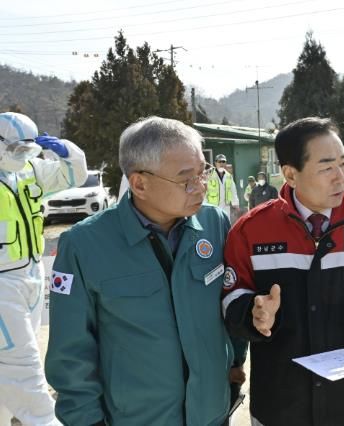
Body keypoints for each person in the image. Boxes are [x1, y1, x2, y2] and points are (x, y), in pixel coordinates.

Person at [45, 116, 245, 426]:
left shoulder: (214, 224)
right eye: (185, 179)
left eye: (202, 173)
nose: (200, 187)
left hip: (210, 414)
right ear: (140, 183)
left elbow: (229, 302)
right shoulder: (84, 244)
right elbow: (70, 352)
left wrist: (234, 368)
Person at [222, 117, 344, 426]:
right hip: (281, 407)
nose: (340, 177)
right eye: (326, 168)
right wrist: (254, 315)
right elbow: (231, 297)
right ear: (290, 174)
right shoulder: (251, 231)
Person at [0, 112, 87, 426]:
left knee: (16, 358)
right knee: (20, 363)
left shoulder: (30, 169)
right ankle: (45, 420)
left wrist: (67, 151)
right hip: (2, 284)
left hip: (32, 274)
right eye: (17, 149)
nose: (23, 155)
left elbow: (73, 175)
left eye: (28, 149)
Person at [206, 153, 239, 218]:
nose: (221, 163)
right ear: (215, 163)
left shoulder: (229, 176)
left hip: (225, 207)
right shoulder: (209, 175)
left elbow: (233, 190)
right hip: (213, 207)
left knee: (225, 223)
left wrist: (235, 203)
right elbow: (204, 191)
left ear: (225, 163)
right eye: (219, 161)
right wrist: (204, 205)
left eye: (223, 161)